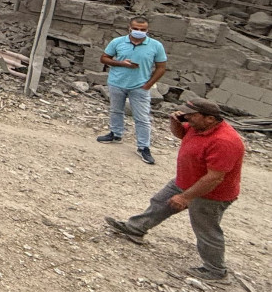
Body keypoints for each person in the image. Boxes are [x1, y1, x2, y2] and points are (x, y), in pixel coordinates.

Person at [105, 99, 246, 281]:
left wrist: (186, 197)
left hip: (211, 194)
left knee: (206, 229)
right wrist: (174, 122)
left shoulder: (225, 142)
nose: (186, 117)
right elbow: (182, 134)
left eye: (191, 115)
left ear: (210, 118)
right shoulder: (198, 128)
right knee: (160, 202)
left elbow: (214, 177)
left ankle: (215, 271)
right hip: (186, 181)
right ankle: (135, 229)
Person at [98, 16, 168, 165]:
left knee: (142, 118)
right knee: (116, 110)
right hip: (116, 83)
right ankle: (115, 134)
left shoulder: (156, 46)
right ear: (129, 28)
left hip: (140, 86)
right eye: (136, 29)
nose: (139, 32)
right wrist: (120, 63)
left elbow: (161, 67)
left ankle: (143, 147)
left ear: (147, 30)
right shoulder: (117, 42)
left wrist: (149, 84)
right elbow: (104, 58)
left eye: (143, 30)